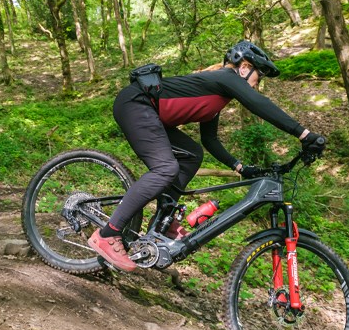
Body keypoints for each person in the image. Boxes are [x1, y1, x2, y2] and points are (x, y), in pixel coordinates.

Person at [87, 40, 326, 272]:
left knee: (192, 154)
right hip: (136, 103)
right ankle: (107, 234)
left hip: (148, 112)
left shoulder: (216, 98)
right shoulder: (225, 78)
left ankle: (162, 222)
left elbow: (210, 140)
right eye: (257, 77)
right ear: (244, 67)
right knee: (166, 169)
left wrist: (240, 167)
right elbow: (258, 103)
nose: (255, 85)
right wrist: (304, 134)